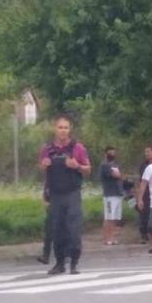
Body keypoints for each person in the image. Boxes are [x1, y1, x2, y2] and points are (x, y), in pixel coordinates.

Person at [38, 115, 91, 275]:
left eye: (66, 128)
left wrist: (77, 166)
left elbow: (88, 169)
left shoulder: (78, 148)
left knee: (73, 228)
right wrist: (44, 164)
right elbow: (40, 167)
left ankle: (74, 263)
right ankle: (59, 263)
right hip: (55, 194)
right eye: (60, 127)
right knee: (57, 230)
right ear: (55, 129)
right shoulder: (47, 149)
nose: (63, 131)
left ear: (69, 130)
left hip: (72, 193)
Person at [99, 146, 124, 245]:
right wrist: (118, 174)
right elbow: (116, 175)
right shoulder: (104, 164)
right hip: (110, 195)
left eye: (113, 153)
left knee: (114, 218)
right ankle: (106, 239)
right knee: (108, 217)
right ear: (106, 154)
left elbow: (118, 174)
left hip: (118, 193)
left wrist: (119, 174)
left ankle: (112, 238)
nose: (112, 155)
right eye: (110, 153)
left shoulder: (114, 164)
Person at [137, 146, 152, 243]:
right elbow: (141, 181)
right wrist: (138, 196)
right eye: (145, 152)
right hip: (146, 193)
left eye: (148, 151)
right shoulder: (143, 165)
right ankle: (144, 235)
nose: (146, 154)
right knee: (144, 213)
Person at [36, 184, 53, 265]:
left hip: (61, 207)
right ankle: (45, 256)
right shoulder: (48, 181)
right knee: (48, 233)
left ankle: (67, 254)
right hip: (51, 208)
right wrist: (45, 202)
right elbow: (45, 193)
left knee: (64, 231)